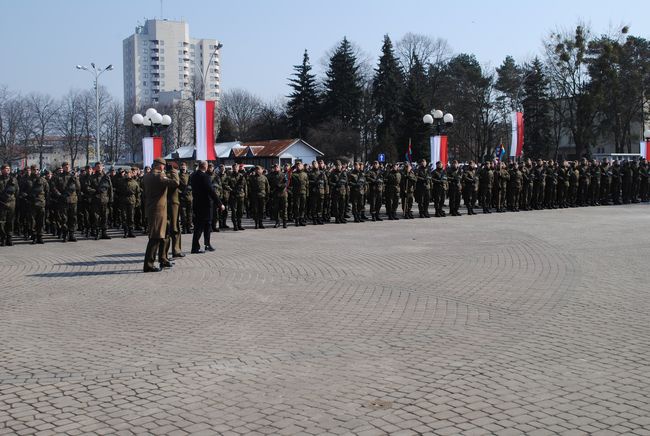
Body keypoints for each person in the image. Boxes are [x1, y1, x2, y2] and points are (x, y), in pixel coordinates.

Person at [143, 157, 179, 273]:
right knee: (155, 237)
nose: (164, 167)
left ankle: (163, 259)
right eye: (163, 165)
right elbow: (175, 183)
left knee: (163, 235)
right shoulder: (159, 176)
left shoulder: (148, 175)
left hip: (155, 209)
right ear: (159, 165)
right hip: (158, 211)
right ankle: (148, 264)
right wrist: (173, 170)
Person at [190, 160, 225, 253]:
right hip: (205, 205)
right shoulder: (205, 176)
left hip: (197, 204)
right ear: (205, 166)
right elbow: (211, 191)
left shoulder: (193, 175)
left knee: (205, 226)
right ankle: (196, 247)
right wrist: (220, 203)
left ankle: (206, 244)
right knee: (201, 226)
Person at [0, 164, 19, 246]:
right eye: (6, 169)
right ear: (2, 170)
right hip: (1, 203)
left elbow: (17, 190)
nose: (8, 170)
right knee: (1, 222)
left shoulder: (13, 180)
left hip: (11, 202)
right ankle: (3, 238)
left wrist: (13, 199)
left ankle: (9, 238)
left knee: (10, 221)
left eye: (8, 169)